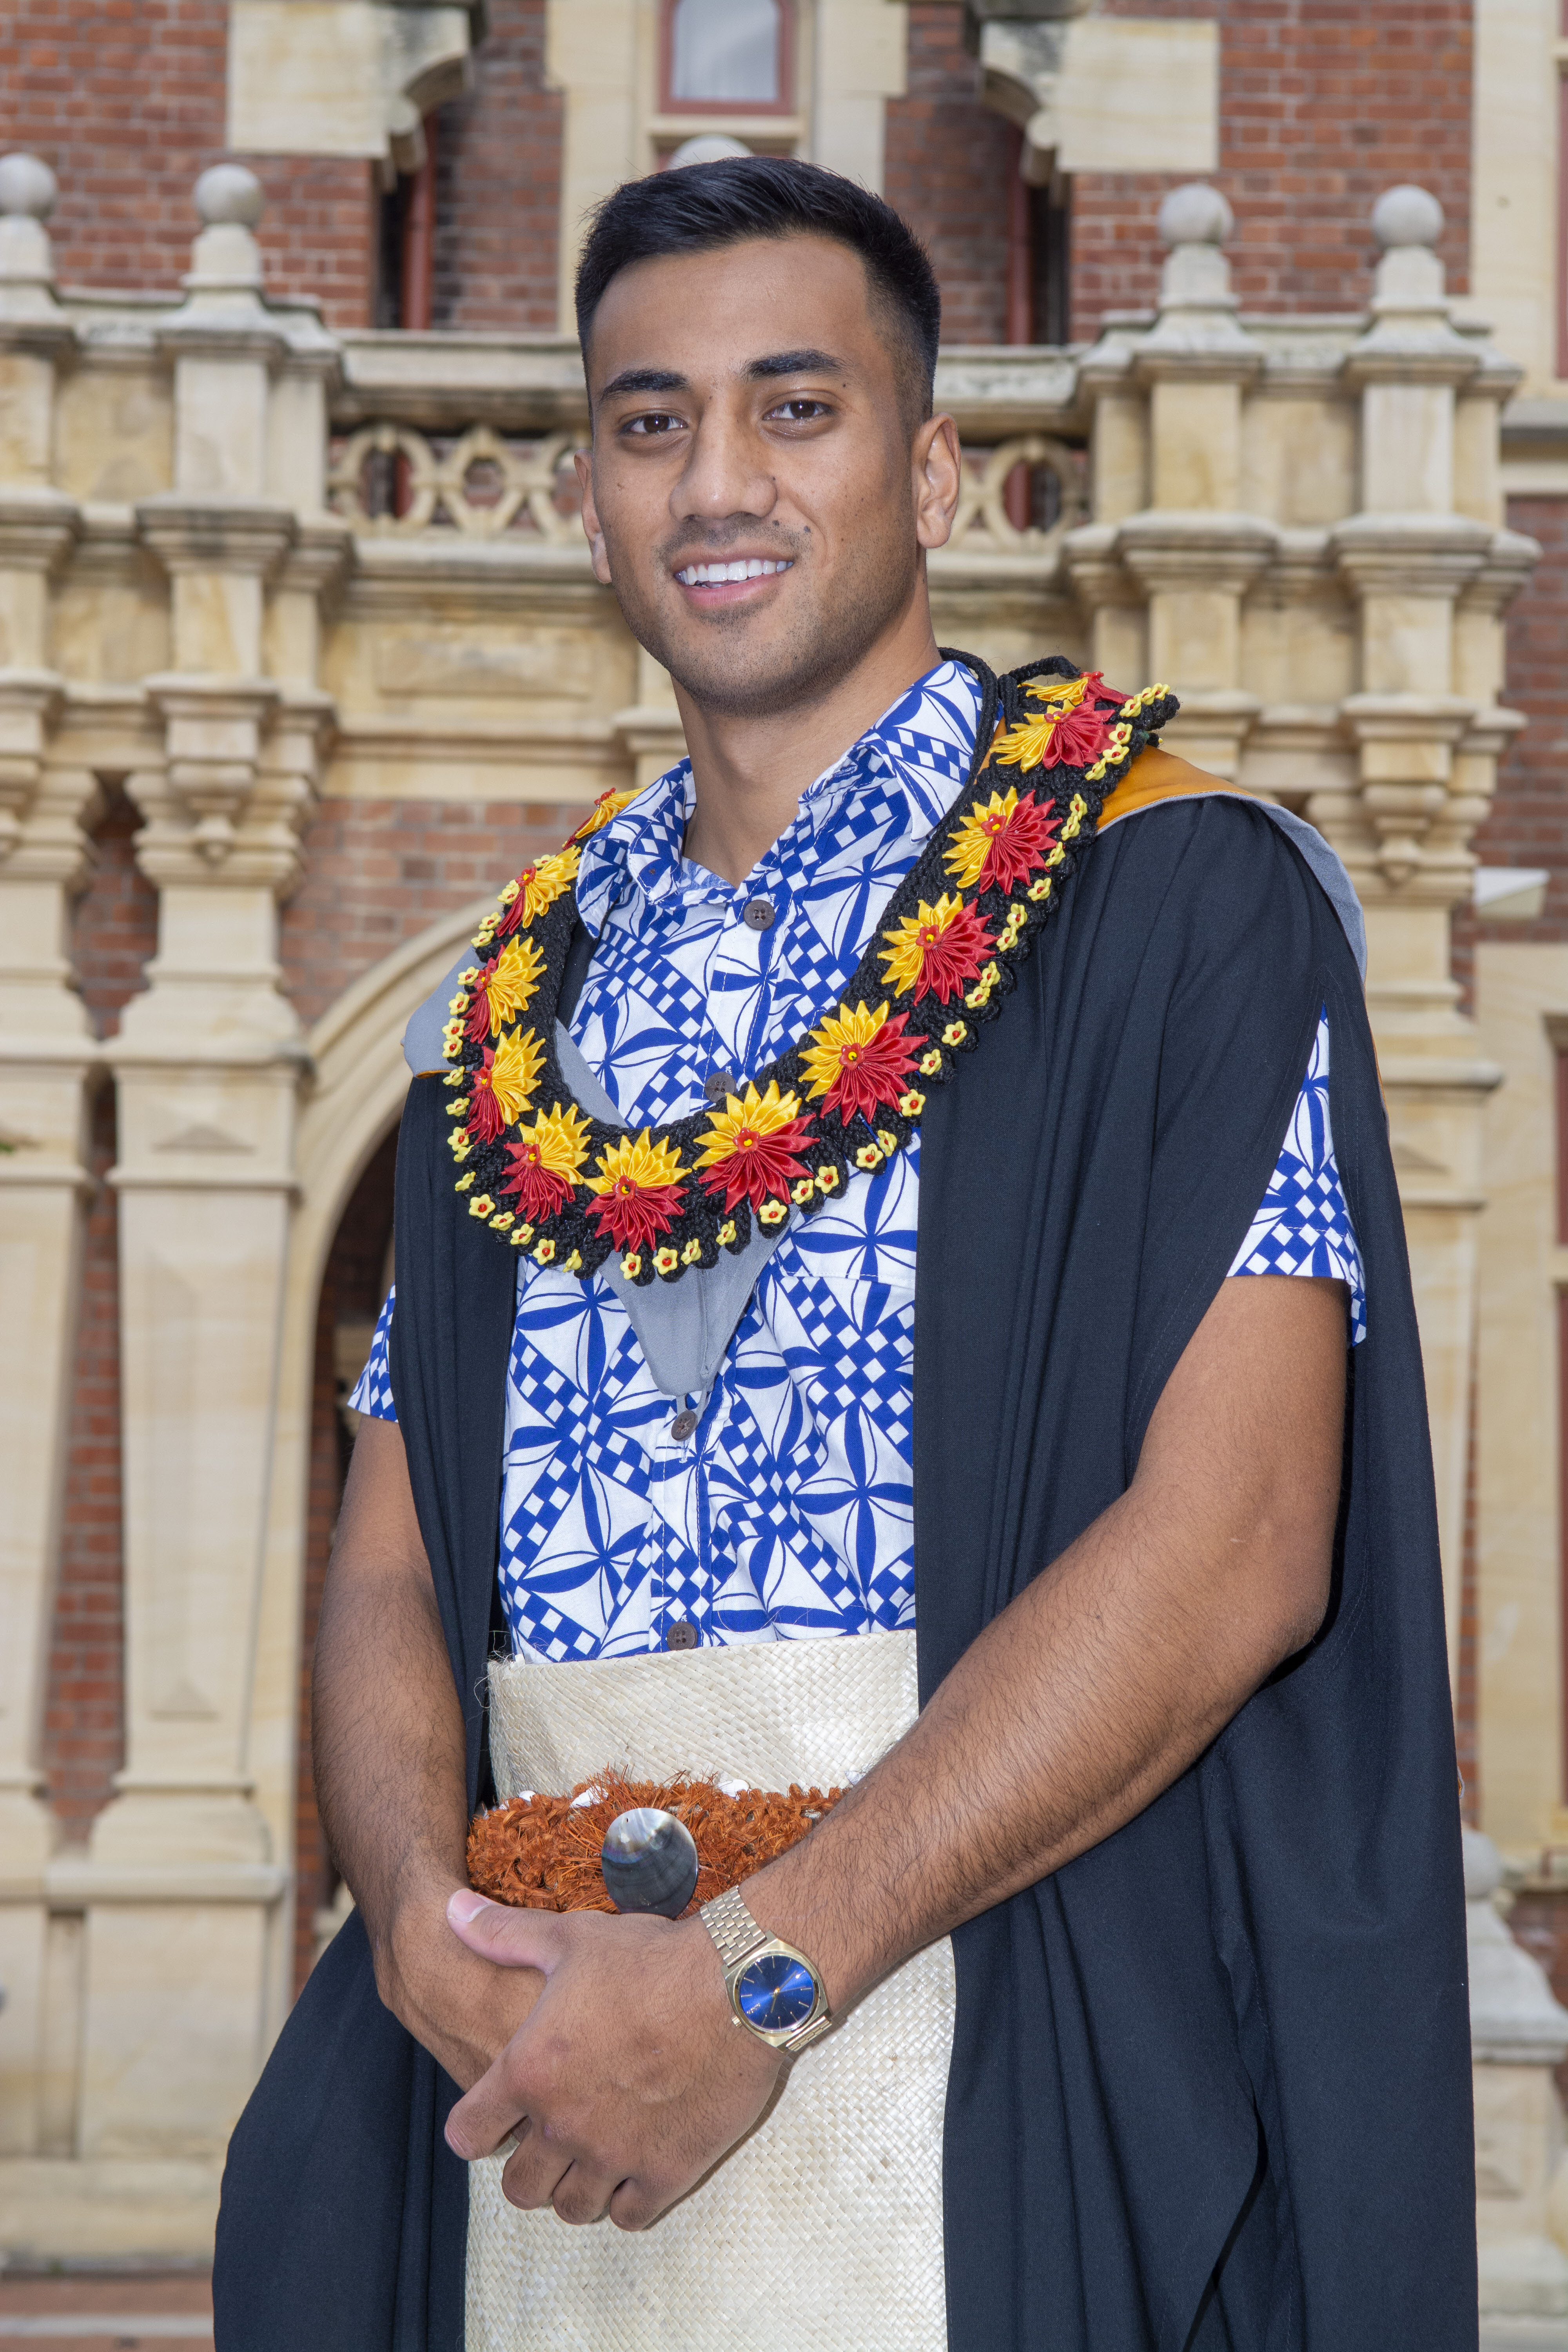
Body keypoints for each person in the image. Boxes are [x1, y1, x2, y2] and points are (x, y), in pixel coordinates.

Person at [214, 158, 1474, 2352]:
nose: (718, 480)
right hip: (538, 2099)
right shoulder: (509, 1002)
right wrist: (416, 1916)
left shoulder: (1171, 901)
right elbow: (393, 1554)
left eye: (795, 408)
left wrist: (759, 1974)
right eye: (649, 422)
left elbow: (1245, 1540)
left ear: (934, 469)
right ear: (588, 499)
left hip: (1001, 2050)